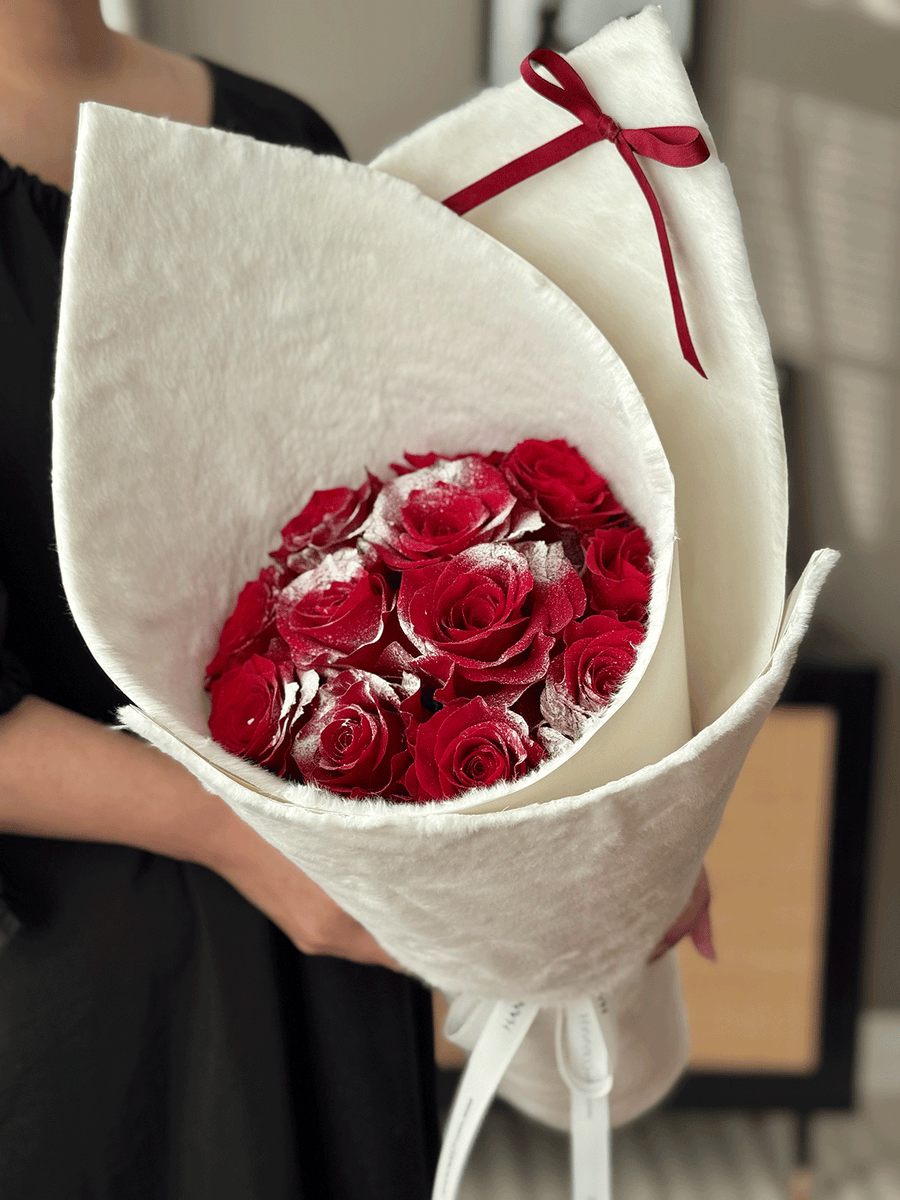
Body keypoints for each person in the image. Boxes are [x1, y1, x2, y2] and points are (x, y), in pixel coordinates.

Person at [0, 4, 439, 1197]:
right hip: (68, 978)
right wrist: (246, 838)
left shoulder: (281, 139)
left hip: (321, 924)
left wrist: (600, 821)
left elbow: (405, 512)